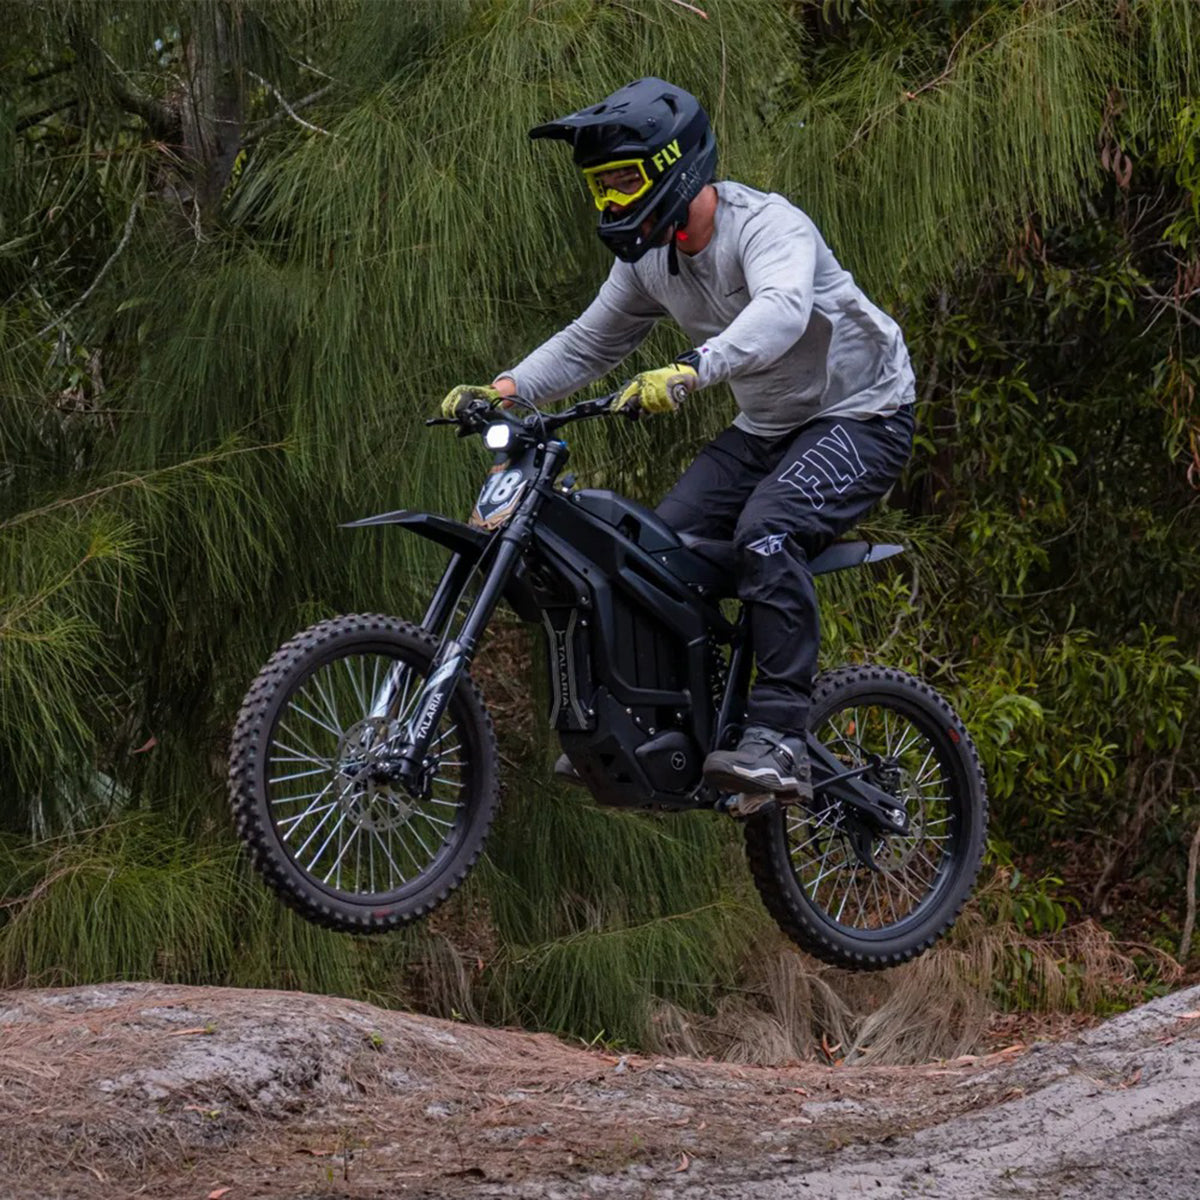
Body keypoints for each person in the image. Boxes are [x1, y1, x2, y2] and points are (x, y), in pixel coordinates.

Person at [441, 78, 915, 816]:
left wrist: (694, 370)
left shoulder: (767, 227)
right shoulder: (648, 261)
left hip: (863, 414)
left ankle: (780, 733)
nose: (610, 203)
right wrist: (503, 392)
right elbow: (589, 341)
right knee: (652, 556)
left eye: (624, 181)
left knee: (767, 531)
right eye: (601, 188)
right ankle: (671, 727)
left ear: (678, 167)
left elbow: (783, 312)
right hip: (766, 428)